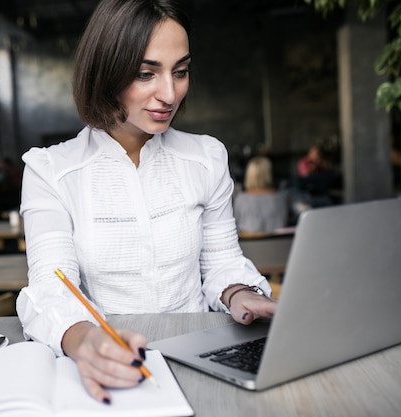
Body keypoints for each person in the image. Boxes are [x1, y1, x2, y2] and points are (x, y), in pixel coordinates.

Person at [17, 0, 276, 404]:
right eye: (145, 73)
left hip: (205, 354)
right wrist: (84, 341)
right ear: (106, 71)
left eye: (181, 71)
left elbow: (222, 261)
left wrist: (240, 293)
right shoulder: (50, 171)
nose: (169, 94)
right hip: (110, 360)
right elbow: (52, 289)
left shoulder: (206, 157)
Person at [233, 156, 289, 235]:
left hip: (249, 244)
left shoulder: (241, 198)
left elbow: (235, 225)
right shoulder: (281, 197)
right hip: (278, 244)